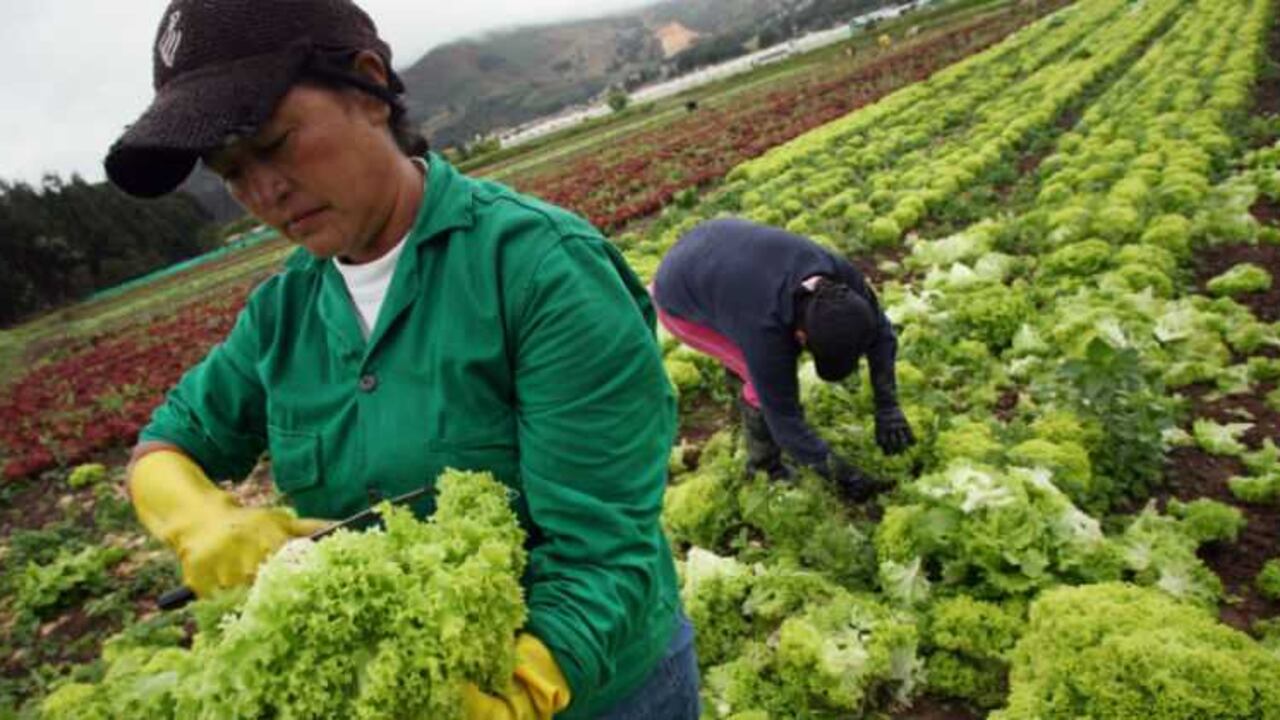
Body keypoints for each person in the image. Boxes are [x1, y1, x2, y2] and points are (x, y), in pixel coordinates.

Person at [107, 1, 699, 718]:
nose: (262, 193)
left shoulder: (541, 271)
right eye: (231, 172)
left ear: (366, 87)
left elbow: (604, 549)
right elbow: (168, 443)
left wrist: (514, 693)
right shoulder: (280, 316)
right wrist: (197, 518)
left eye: (274, 144)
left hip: (601, 691)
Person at [651, 218, 915, 500]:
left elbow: (881, 333)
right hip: (679, 293)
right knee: (758, 384)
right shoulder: (765, 331)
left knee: (760, 367)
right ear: (800, 337)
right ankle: (764, 468)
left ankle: (742, 406)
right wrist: (846, 478)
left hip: (719, 252)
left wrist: (888, 406)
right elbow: (787, 424)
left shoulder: (840, 278)